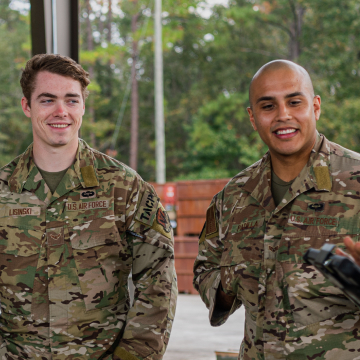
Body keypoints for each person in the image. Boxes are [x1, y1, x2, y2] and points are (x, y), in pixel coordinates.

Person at [0, 54, 177, 360]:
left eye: (71, 100)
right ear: (26, 106)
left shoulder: (124, 187)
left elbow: (158, 282)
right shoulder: (3, 190)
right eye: (47, 100)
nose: (61, 111)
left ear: (82, 106)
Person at [193, 59, 360, 359]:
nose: (283, 116)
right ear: (253, 117)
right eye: (268, 106)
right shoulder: (233, 197)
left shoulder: (356, 182)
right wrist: (233, 279)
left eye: (295, 102)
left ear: (316, 106)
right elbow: (206, 270)